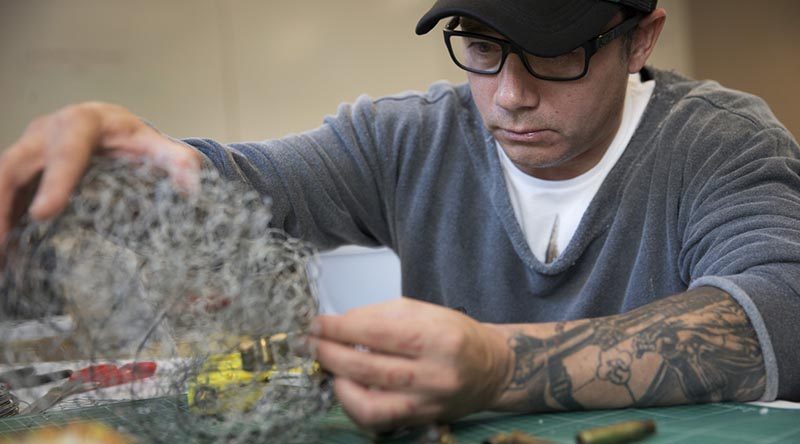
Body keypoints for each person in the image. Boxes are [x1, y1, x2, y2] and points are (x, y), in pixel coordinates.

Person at [1, 0, 799, 431]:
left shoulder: (719, 143)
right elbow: (255, 185)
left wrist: (499, 364)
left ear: (639, 38)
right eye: (481, 45)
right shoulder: (405, 137)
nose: (511, 95)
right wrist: (132, 171)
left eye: (557, 53)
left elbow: (781, 312)